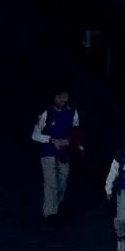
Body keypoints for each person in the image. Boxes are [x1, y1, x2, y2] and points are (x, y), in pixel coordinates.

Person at [31, 86, 82, 220]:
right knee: (51, 183)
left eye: (65, 97)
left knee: (62, 182)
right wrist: (52, 140)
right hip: (48, 151)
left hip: (65, 151)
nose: (62, 100)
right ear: (54, 97)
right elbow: (35, 135)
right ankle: (50, 213)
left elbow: (76, 131)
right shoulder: (46, 113)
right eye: (59, 97)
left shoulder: (72, 112)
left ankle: (55, 206)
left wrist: (68, 141)